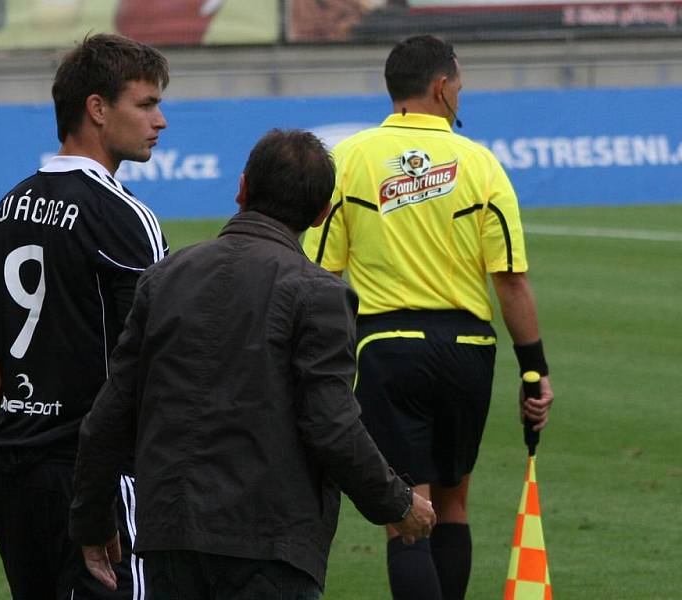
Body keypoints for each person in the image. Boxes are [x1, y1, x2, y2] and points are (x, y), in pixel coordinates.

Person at [68, 129, 437, 599]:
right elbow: (331, 426)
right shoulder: (321, 294)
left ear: (241, 188)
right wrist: (398, 503)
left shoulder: (165, 277)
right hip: (270, 543)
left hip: (172, 536)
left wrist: (92, 522)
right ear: (323, 213)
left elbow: (108, 417)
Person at [302, 35, 554, 600]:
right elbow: (510, 278)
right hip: (469, 348)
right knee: (453, 502)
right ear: (441, 87)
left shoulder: (350, 159)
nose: (461, 95)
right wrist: (534, 371)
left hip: (389, 348)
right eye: (459, 84)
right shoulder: (482, 163)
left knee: (406, 512)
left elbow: (319, 274)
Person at [0, 33, 169, 600]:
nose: (161, 120)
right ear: (97, 109)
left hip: (8, 465)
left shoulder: (8, 208)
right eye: (146, 104)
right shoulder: (125, 219)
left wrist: (34, 411)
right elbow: (159, 362)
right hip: (92, 473)